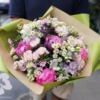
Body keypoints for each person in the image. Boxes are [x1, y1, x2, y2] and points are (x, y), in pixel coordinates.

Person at [9, 0, 90, 100]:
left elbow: (81, 23)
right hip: (32, 55)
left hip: (67, 54)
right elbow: (16, 21)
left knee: (60, 95)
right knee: (38, 96)